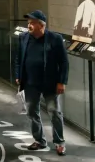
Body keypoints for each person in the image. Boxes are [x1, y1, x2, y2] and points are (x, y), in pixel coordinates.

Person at [14, 10, 69, 156]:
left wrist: (62, 82)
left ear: (41, 25)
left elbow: (64, 62)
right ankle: (39, 140)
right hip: (30, 82)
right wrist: (18, 75)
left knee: (54, 112)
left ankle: (59, 142)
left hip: (50, 83)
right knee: (32, 111)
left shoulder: (55, 39)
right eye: (28, 23)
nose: (29, 25)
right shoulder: (23, 37)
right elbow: (19, 58)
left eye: (32, 23)